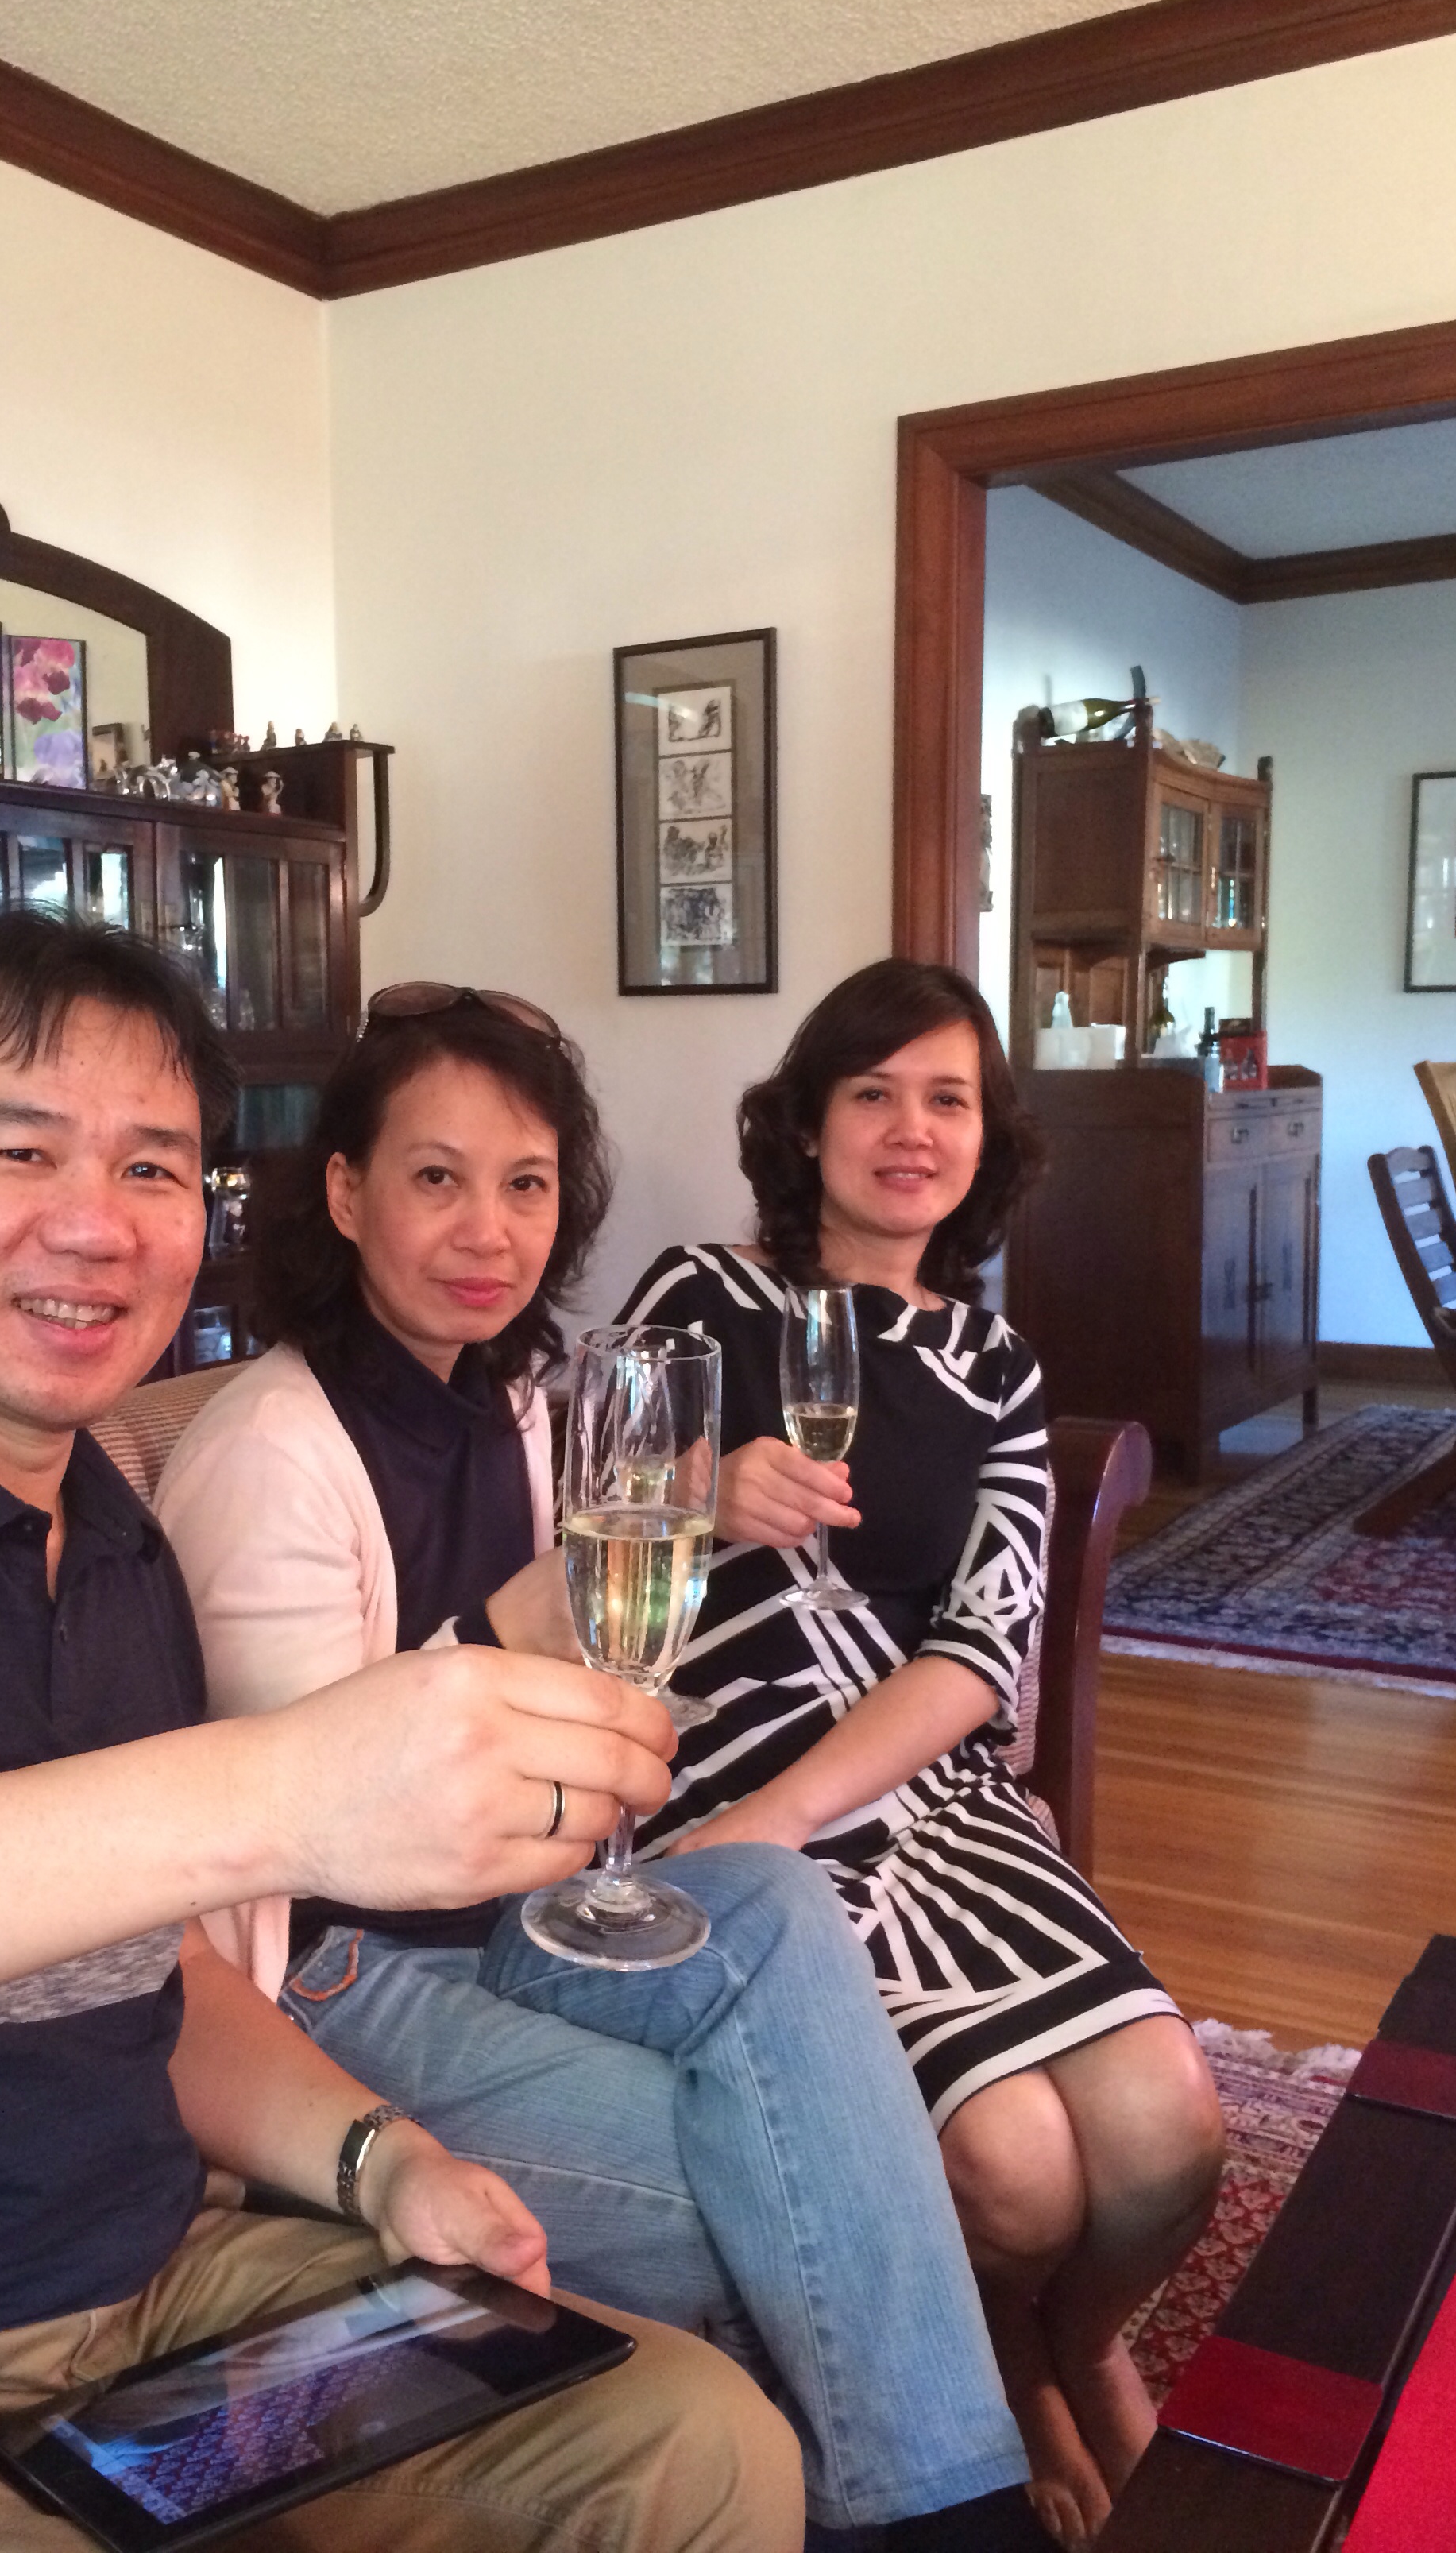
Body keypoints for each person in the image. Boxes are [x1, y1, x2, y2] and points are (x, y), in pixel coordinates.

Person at [0, 915, 802, 2553]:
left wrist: (380, 2161)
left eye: (151, 1170)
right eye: (22, 1151)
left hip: (165, 2305)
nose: (95, 1226)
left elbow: (161, 1980)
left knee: (698, 2444)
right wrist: (267, 1791)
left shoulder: (121, 1547)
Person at [156, 981, 1049, 2551]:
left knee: (775, 1898)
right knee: (767, 2187)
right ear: (348, 1193)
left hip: (518, 1913)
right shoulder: (266, 1450)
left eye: (526, 1184)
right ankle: (932, 2515)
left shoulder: (523, 1406)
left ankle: (947, 2507)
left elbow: (624, 1645)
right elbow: (327, 1819)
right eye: (436, 1179)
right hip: (340, 1969)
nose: (487, 1229)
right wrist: (547, 1600)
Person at [618, 959, 1226, 2550]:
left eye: (946, 1099)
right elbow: (584, 1522)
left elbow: (982, 1644)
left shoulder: (1001, 1369)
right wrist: (702, 1496)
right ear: (808, 1125)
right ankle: (1005, 2363)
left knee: (1168, 2129)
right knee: (1018, 2172)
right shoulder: (701, 1294)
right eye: (873, 1093)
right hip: (722, 1769)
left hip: (919, 1783)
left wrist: (799, 1809)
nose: (910, 1128)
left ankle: (1077, 2338)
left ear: (986, 1139)